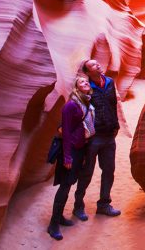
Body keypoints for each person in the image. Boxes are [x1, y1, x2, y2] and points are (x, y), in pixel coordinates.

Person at [73, 58, 122, 219]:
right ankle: (78, 206)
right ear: (87, 72)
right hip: (94, 137)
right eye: (93, 65)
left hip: (109, 134)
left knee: (109, 170)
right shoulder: (86, 88)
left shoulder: (109, 82)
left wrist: (115, 124)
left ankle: (104, 204)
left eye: (97, 63)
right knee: (86, 172)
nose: (98, 65)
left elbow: (113, 104)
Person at [48, 76, 93, 240]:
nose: (85, 83)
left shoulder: (85, 102)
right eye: (81, 82)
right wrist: (67, 157)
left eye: (87, 81)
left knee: (70, 183)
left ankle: (59, 217)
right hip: (71, 150)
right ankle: (53, 224)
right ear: (76, 87)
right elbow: (66, 132)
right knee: (65, 185)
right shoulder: (71, 105)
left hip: (79, 149)